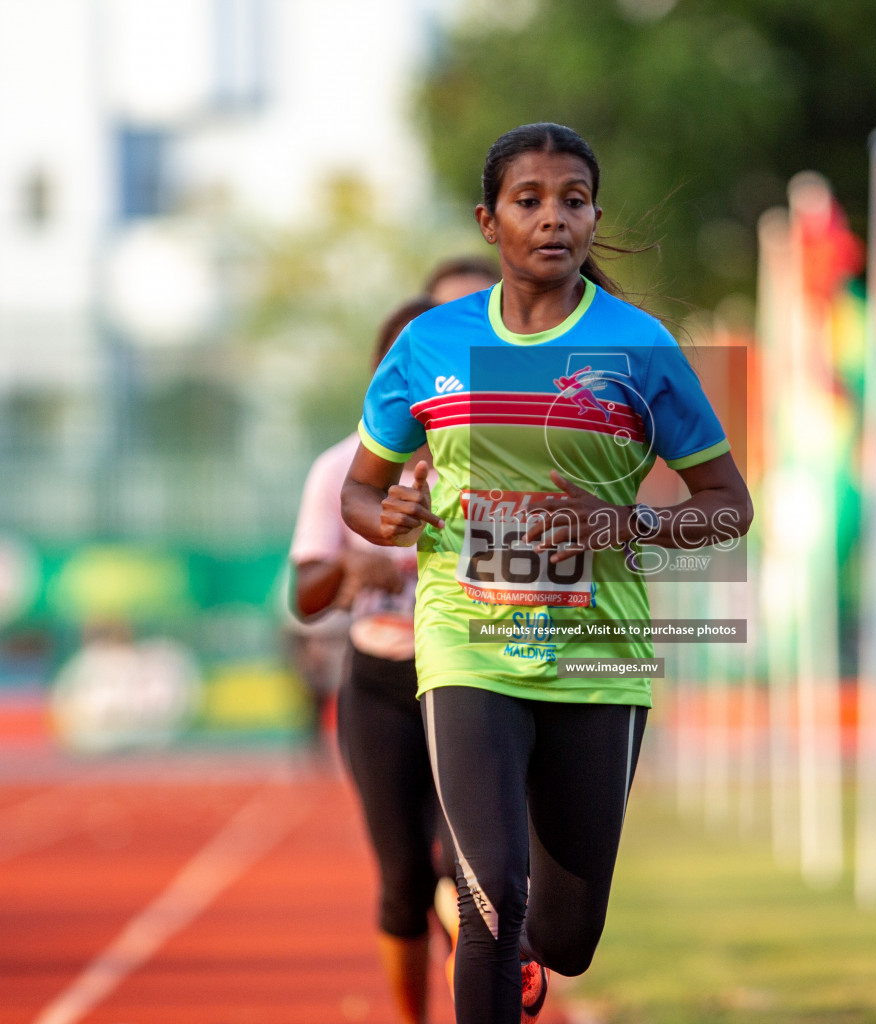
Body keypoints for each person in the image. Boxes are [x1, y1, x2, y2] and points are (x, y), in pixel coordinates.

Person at [342, 122, 753, 1024]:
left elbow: (728, 503)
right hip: (466, 642)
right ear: (490, 222)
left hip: (598, 654)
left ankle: (534, 954)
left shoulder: (638, 346)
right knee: (489, 899)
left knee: (562, 936)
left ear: (596, 217)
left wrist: (631, 520)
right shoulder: (430, 344)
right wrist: (393, 514)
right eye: (530, 201)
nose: (553, 218)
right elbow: (360, 496)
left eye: (573, 200)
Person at [289, 264, 495, 1024]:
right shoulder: (341, 467)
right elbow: (304, 596)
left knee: (472, 868)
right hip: (381, 680)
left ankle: (485, 994)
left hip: (477, 673)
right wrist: (357, 564)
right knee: (406, 878)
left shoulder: (499, 457)